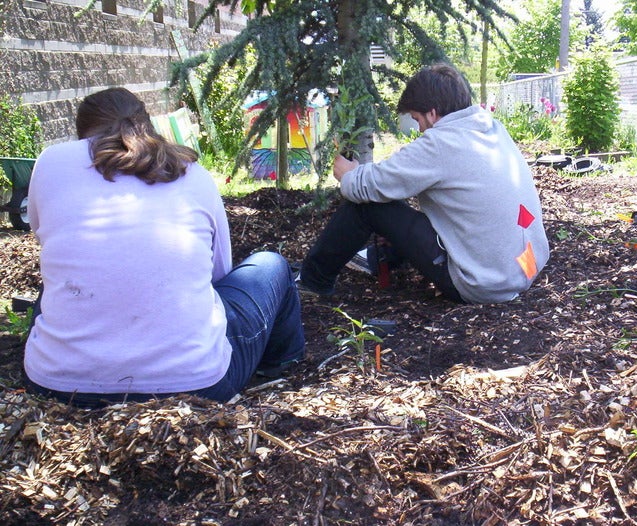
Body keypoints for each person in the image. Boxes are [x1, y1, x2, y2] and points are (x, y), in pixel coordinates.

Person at [24, 87, 304, 408]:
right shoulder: (191, 172)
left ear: (82, 133)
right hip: (197, 387)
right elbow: (218, 275)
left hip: (56, 386)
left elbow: (43, 236)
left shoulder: (50, 162)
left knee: (53, 290)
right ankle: (281, 368)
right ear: (148, 124)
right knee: (270, 265)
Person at [296, 64, 550, 304]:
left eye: (417, 119)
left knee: (367, 206)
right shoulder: (492, 129)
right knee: (412, 205)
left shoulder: (441, 143)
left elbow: (370, 186)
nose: (419, 129)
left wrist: (348, 174)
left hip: (481, 283)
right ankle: (373, 260)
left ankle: (312, 281)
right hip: (523, 267)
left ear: (432, 113)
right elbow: (399, 178)